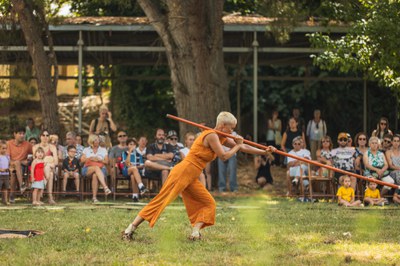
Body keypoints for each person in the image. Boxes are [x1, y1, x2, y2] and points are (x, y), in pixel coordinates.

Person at [121, 111, 275, 241]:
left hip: (193, 175)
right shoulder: (212, 136)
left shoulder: (221, 136)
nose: (233, 132)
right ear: (223, 126)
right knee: (161, 201)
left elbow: (244, 147)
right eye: (231, 128)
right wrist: (238, 145)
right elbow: (224, 156)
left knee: (208, 203)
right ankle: (130, 229)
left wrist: (264, 151)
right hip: (183, 171)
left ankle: (195, 232)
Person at [80, 134, 112, 203]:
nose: (98, 141)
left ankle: (94, 198)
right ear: (92, 141)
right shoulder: (86, 150)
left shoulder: (103, 150)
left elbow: (106, 161)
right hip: (88, 169)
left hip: (101, 169)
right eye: (96, 139)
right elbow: (82, 160)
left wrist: (99, 160)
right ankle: (105, 187)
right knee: (96, 168)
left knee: (95, 175)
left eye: (98, 139)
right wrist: (90, 158)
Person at [32, 130, 58, 205]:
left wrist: (49, 164)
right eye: (43, 135)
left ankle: (41, 194)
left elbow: (56, 162)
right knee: (50, 173)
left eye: (47, 135)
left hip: (51, 167)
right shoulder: (35, 147)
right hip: (38, 168)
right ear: (40, 136)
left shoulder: (52, 147)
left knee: (49, 169)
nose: (45, 137)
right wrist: (46, 163)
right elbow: (35, 160)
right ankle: (50, 197)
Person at [7, 127, 32, 202]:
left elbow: (34, 154)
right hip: (9, 165)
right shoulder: (9, 143)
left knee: (15, 169)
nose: (22, 135)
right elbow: (7, 158)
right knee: (14, 169)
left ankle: (12, 195)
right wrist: (18, 162)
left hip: (23, 168)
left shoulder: (27, 144)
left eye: (23, 134)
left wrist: (29, 160)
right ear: (15, 134)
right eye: (20, 133)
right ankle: (21, 185)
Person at [0, 140, 10, 205]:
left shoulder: (7, 157)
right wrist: (1, 169)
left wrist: (9, 169)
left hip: (6, 175)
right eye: (3, 148)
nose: (4, 150)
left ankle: (5, 201)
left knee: (5, 188)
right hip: (0, 175)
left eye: (6, 148)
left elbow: (9, 164)